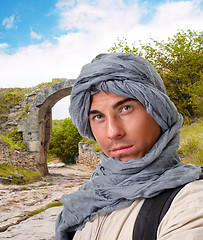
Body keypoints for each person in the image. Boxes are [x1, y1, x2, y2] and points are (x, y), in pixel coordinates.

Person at [55, 53, 203, 240]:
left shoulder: (191, 202)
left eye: (126, 108)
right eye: (98, 116)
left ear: (158, 111)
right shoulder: (86, 199)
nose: (112, 132)